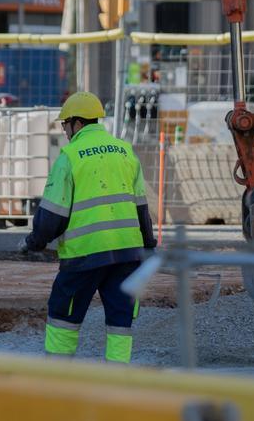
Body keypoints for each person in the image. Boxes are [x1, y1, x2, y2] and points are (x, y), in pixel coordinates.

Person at [18, 91, 156, 363]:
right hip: (128, 253)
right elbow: (141, 206)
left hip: (85, 254)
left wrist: (34, 241)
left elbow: (53, 215)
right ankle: (117, 379)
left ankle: (58, 374)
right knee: (121, 319)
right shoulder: (125, 150)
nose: (65, 131)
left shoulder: (70, 156)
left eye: (65, 124)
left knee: (63, 316)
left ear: (77, 123)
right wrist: (148, 245)